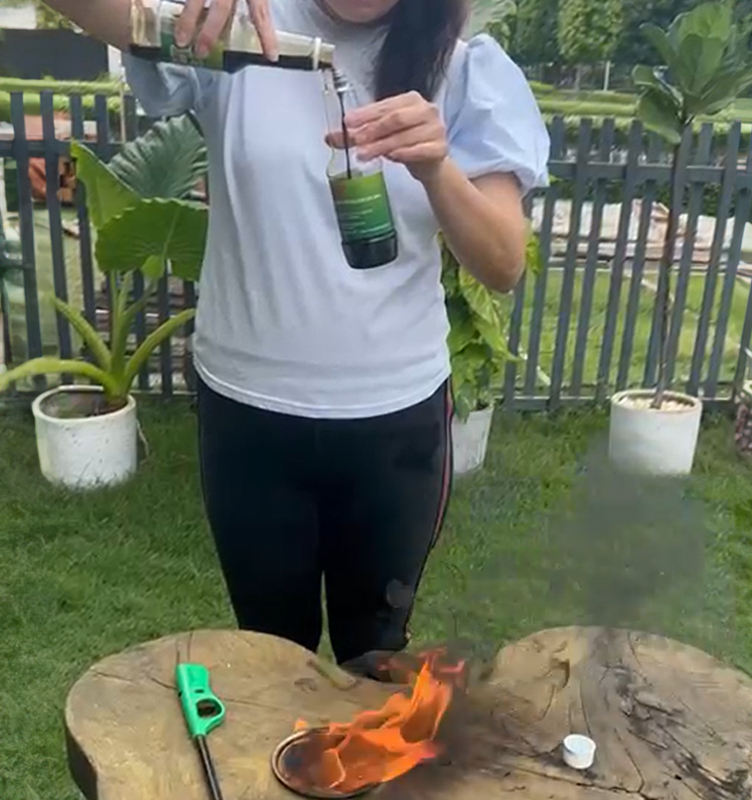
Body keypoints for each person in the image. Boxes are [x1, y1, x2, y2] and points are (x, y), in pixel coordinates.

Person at [45, 0, 549, 669]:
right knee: (271, 659)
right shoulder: (237, 31)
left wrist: (436, 167)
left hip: (395, 425)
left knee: (374, 658)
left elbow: (504, 263)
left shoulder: (462, 69)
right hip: (249, 416)